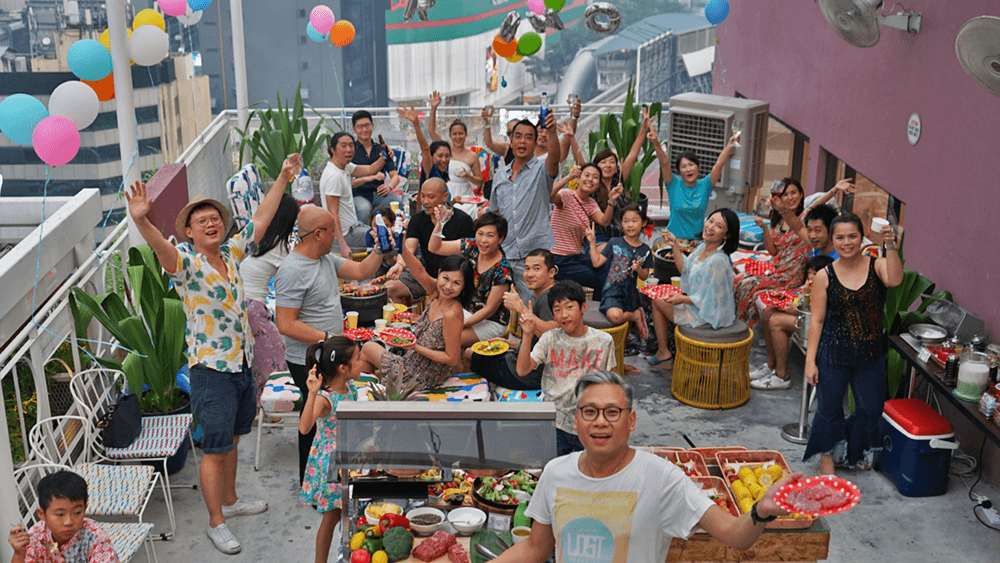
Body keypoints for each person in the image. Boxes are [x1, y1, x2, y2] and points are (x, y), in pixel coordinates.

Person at [125, 155, 295, 554]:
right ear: (188, 231)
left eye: (214, 218)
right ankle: (216, 522)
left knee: (233, 438)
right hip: (211, 371)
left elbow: (261, 219)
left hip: (240, 365)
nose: (211, 223)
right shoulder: (185, 263)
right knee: (215, 448)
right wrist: (141, 220)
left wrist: (284, 177)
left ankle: (232, 501)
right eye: (201, 221)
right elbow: (160, 249)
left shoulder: (232, 253)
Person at [490, 371, 801, 563]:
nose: (600, 421)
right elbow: (535, 549)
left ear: (632, 421)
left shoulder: (661, 477)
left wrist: (762, 510)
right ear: (575, 421)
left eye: (613, 412)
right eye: (590, 412)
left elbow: (735, 535)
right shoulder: (556, 472)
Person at [273, 206, 385, 485]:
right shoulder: (291, 270)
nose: (337, 236)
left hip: (330, 353)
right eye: (332, 230)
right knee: (313, 421)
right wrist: (326, 338)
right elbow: (285, 323)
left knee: (328, 420)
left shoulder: (324, 259)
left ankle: (329, 479)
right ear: (318, 233)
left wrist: (381, 250)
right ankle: (310, 483)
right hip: (309, 359)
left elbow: (360, 271)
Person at [804, 213, 903, 476]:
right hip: (833, 354)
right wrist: (810, 361)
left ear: (862, 238)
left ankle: (850, 451)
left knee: (870, 409)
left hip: (869, 356)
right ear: (832, 239)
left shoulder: (877, 265)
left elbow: (894, 280)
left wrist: (891, 245)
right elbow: (817, 321)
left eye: (852, 236)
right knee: (829, 410)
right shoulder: (825, 276)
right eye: (840, 237)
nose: (846, 242)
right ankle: (827, 459)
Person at [517, 280, 616, 455]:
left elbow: (613, 383)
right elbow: (522, 370)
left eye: (569, 307)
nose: (564, 315)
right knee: (554, 469)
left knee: (588, 471)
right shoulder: (549, 338)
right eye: (557, 310)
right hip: (554, 422)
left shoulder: (603, 341)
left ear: (583, 307)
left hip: (588, 423)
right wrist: (527, 335)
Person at [359, 254, 472, 391]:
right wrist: (403, 248)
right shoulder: (436, 294)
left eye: (456, 283)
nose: (448, 286)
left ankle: (366, 396)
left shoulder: (452, 313)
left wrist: (415, 347)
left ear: (463, 286)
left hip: (421, 375)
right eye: (446, 278)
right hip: (413, 361)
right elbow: (418, 271)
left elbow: (452, 358)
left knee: (367, 348)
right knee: (372, 359)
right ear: (439, 274)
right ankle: (372, 392)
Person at [649, 209, 740, 367]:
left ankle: (664, 353)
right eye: (710, 221)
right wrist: (674, 245)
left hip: (708, 316)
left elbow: (710, 300)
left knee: (658, 302)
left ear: (726, 235)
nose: (710, 227)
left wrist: (682, 299)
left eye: (718, 226)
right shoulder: (703, 248)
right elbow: (685, 268)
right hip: (698, 306)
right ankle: (668, 352)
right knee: (658, 299)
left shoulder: (718, 260)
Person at [298, 336, 360, 563]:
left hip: (350, 460)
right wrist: (312, 392)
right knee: (332, 517)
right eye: (358, 359)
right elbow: (304, 428)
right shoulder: (325, 398)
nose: (362, 363)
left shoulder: (349, 386)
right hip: (332, 466)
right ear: (343, 368)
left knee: (345, 515)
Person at [489, 115, 561, 302]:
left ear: (535, 143)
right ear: (510, 141)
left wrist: (552, 133)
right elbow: (495, 213)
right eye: (518, 136)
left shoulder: (541, 171)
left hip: (534, 256)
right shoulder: (499, 176)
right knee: (503, 309)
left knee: (535, 308)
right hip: (504, 254)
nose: (523, 141)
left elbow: (554, 159)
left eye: (529, 137)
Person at [469, 249, 560, 391]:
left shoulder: (548, 297)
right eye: (526, 268)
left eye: (537, 269)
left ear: (551, 273)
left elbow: (554, 336)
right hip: (528, 366)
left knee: (469, 354)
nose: (530, 274)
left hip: (528, 375)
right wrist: (509, 343)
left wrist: (520, 308)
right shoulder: (552, 292)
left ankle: (475, 403)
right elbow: (537, 342)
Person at [238, 194, 297, 408]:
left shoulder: (254, 239)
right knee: (277, 352)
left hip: (239, 305)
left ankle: (255, 407)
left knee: (255, 357)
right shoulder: (279, 248)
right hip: (253, 308)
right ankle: (279, 405)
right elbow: (292, 280)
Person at [428, 211, 513, 346]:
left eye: (490, 236)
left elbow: (489, 310)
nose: (483, 240)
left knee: (447, 340)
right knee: (429, 327)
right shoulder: (471, 245)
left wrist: (459, 324)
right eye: (480, 234)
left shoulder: (502, 270)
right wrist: (440, 223)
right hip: (464, 309)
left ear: (500, 239)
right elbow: (434, 247)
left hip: (490, 321)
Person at [385, 177, 474, 306]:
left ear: (445, 196)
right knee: (389, 289)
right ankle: (403, 323)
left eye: (431, 197)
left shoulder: (463, 220)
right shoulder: (417, 219)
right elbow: (409, 248)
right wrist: (399, 264)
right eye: (422, 196)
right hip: (425, 275)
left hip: (452, 281)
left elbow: (466, 260)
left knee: (433, 304)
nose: (425, 202)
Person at [750, 255, 834, 390]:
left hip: (819, 326)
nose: (811, 277)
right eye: (810, 273)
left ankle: (781, 375)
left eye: (815, 273)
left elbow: (817, 315)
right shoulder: (812, 287)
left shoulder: (828, 289)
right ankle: (770, 364)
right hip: (806, 319)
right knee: (769, 311)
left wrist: (797, 310)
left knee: (776, 321)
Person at [733, 179, 809, 329]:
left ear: (801, 194)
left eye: (794, 193)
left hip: (791, 273)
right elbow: (773, 252)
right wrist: (764, 228)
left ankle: (746, 330)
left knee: (750, 287)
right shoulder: (778, 220)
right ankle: (738, 325)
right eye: (785, 194)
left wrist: (835, 190)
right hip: (776, 266)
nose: (790, 197)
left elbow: (819, 203)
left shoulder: (805, 217)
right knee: (740, 281)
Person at [649, 117, 738, 240]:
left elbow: (719, 164)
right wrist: (656, 142)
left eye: (691, 165)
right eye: (684, 167)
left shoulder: (705, 185)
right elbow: (664, 163)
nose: (688, 169)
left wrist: (730, 145)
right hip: (672, 239)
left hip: (696, 240)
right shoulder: (673, 184)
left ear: (698, 167)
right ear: (679, 171)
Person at [7, 470, 119, 563]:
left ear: (85, 508)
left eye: (77, 513)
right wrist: (18, 554)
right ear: (42, 514)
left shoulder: (95, 538)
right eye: (60, 514)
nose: (68, 522)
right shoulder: (35, 536)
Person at [549, 163, 623, 297]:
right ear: (578, 178)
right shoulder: (566, 195)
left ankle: (603, 303)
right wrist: (568, 177)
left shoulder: (590, 204)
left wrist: (611, 201)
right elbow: (549, 196)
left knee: (606, 262)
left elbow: (604, 221)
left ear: (597, 184)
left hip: (575, 257)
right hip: (558, 258)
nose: (590, 179)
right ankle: (603, 305)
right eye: (587, 175)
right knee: (595, 277)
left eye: (595, 177)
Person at [585, 203, 654, 339]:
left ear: (643, 222)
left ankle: (626, 341)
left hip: (630, 292)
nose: (630, 225)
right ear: (621, 223)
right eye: (626, 221)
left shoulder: (645, 249)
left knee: (627, 332)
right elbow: (597, 262)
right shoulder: (614, 242)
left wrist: (639, 269)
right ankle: (635, 316)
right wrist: (592, 242)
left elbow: (644, 276)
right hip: (612, 290)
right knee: (615, 316)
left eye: (634, 221)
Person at [591, 106, 654, 242]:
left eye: (612, 162)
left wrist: (643, 128)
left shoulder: (618, 181)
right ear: (596, 166)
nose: (608, 165)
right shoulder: (592, 186)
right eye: (603, 162)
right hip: (601, 237)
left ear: (616, 166)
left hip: (622, 236)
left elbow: (632, 155)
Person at [320, 132, 386, 256]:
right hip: (344, 236)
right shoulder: (333, 176)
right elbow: (332, 213)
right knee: (384, 241)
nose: (349, 150)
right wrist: (343, 246)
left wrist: (384, 158)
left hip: (353, 227)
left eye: (351, 145)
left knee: (382, 233)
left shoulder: (345, 167)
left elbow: (371, 169)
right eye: (343, 146)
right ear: (332, 150)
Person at [428, 91, 484, 214]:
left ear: (466, 135)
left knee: (464, 213)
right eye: (454, 134)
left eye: (461, 133)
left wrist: (467, 176)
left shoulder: (472, 156)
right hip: (445, 193)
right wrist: (434, 108)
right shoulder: (444, 149)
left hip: (464, 197)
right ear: (450, 136)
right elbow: (431, 131)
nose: (458, 137)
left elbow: (479, 181)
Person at [776, 179, 856, 259]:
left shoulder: (842, 259)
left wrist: (835, 189)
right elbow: (798, 227)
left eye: (818, 230)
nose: (812, 236)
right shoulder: (814, 252)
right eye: (809, 230)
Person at [350, 110, 403, 223]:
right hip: (359, 194)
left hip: (379, 194)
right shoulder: (350, 151)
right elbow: (349, 181)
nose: (364, 129)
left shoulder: (382, 149)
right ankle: (365, 239)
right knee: (364, 209)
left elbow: (395, 177)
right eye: (360, 127)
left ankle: (395, 235)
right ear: (353, 129)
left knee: (397, 201)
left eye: (367, 125)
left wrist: (389, 186)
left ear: (372, 126)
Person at [362, 204, 406, 280]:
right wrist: (378, 246)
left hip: (399, 267)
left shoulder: (399, 233)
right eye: (376, 226)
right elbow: (371, 263)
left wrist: (387, 250)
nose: (381, 230)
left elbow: (400, 262)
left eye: (386, 226)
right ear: (370, 225)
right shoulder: (370, 235)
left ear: (393, 225)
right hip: (381, 267)